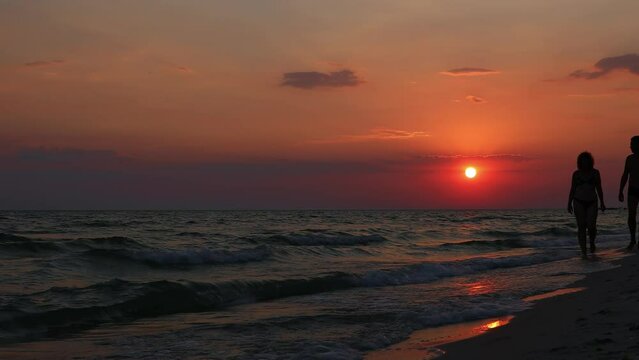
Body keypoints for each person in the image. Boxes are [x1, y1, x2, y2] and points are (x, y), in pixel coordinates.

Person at [568, 152, 606, 259]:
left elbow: (599, 188)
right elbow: (572, 189)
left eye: (586, 160)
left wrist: (602, 202)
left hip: (592, 202)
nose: (584, 162)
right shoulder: (576, 174)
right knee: (581, 227)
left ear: (590, 161)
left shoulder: (595, 173)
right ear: (579, 162)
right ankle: (584, 252)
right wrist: (569, 202)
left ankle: (592, 242)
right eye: (582, 160)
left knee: (591, 226)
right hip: (578, 201)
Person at [619, 136, 639, 251]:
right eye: (630, 144)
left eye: (633, 144)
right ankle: (632, 240)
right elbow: (625, 175)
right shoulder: (629, 159)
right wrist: (620, 190)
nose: (630, 146)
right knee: (631, 216)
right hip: (632, 190)